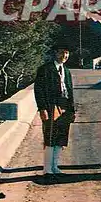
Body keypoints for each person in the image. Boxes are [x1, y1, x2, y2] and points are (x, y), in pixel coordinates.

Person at [34, 45, 75, 181]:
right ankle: (47, 169)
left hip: (65, 107)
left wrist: (71, 110)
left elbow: (70, 91)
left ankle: (55, 166)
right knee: (50, 136)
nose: (65, 56)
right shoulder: (45, 69)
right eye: (62, 52)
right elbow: (38, 90)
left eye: (67, 53)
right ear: (55, 53)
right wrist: (42, 108)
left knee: (61, 138)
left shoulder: (67, 71)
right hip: (51, 106)